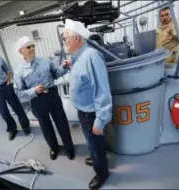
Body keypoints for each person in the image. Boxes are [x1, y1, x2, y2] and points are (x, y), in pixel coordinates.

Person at [63, 19, 112, 189]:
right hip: (83, 111)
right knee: (94, 143)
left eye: (66, 38)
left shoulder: (91, 56)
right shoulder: (78, 58)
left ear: (77, 38)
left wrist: (100, 119)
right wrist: (71, 65)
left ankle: (102, 172)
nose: (65, 42)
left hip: (91, 114)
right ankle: (97, 156)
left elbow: (102, 89)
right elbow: (82, 79)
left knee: (94, 143)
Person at [13, 36, 75, 160]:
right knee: (45, 126)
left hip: (52, 95)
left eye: (33, 46)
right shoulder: (19, 71)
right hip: (37, 100)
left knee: (62, 122)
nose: (32, 49)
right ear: (21, 51)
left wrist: (64, 67)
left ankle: (69, 147)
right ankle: (54, 147)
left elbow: (56, 74)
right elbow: (19, 92)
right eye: (28, 47)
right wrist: (33, 91)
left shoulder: (45, 60)